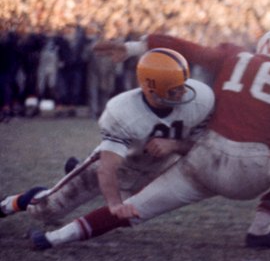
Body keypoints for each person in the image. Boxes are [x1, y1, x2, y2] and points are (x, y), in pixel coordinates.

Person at [27, 29, 270, 251]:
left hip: (202, 158)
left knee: (133, 208)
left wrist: (134, 48)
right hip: (248, 169)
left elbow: (183, 47)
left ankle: (53, 239)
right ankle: (261, 230)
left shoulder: (234, 56)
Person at [0, 48, 214, 225]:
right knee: (46, 211)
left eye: (183, 86)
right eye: (174, 90)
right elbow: (107, 168)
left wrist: (175, 145)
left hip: (152, 172)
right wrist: (114, 205)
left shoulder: (200, 99)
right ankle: (13, 203)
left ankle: (75, 170)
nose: (184, 93)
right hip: (120, 165)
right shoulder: (123, 110)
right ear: (151, 87)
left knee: (131, 213)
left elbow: (201, 147)